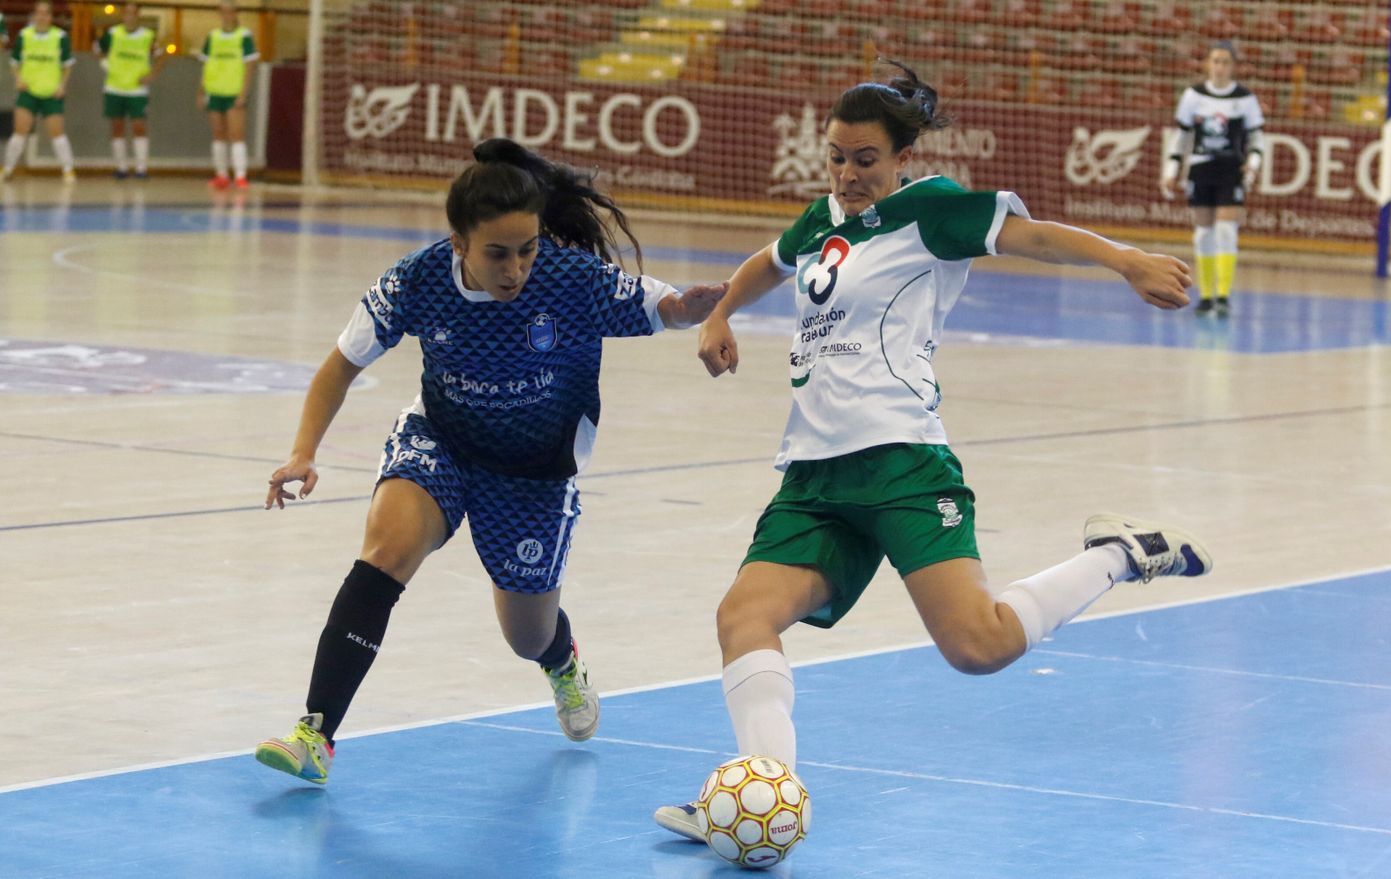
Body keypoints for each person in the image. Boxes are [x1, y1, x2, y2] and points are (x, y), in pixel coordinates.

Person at [653, 61, 1212, 843]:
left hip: (902, 461)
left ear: (900, 159)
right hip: (814, 472)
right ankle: (763, 798)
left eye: (865, 161)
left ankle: (1121, 552)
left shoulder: (931, 211)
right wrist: (721, 317)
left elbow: (1038, 237)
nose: (848, 175)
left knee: (977, 646)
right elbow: (766, 262)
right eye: (837, 157)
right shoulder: (822, 219)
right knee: (743, 616)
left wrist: (1126, 260)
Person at [253, 138, 729, 785]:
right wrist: (303, 451)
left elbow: (659, 306)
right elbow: (341, 365)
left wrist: (692, 309)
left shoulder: (568, 279)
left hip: (534, 473)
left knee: (526, 636)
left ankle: (561, 660)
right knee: (386, 551)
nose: (516, 269)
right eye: (497, 254)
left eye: (527, 249)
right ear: (459, 244)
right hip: (441, 441)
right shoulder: (418, 280)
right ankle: (316, 732)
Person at [1160, 40, 1265, 317]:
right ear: (1208, 64)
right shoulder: (1193, 96)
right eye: (1215, 61)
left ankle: (1222, 297)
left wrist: (1253, 164)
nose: (1219, 67)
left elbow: (1256, 138)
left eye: (1225, 62)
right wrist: (1172, 171)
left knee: (1226, 231)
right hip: (1201, 169)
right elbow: (1181, 137)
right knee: (1204, 233)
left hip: (1231, 171)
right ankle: (1205, 296)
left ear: (1233, 66)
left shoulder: (1245, 99)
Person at [2, 2, 75, 183]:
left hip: (51, 91)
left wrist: (62, 85)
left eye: (46, 13)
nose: (42, 17)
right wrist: (18, 78)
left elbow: (67, 65)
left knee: (56, 132)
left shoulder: (60, 37)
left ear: (51, 17)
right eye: (39, 13)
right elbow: (14, 62)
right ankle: (8, 169)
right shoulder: (24, 35)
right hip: (28, 91)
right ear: (34, 16)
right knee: (20, 131)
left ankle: (68, 170)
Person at [196, 0, 256, 189]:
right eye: (223, 11)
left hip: (233, 91)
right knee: (218, 134)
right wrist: (201, 90)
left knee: (236, 134)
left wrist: (243, 93)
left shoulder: (244, 35)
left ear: (236, 13)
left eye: (230, 11)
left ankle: (240, 175)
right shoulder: (212, 36)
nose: (227, 15)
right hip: (214, 90)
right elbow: (206, 65)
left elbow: (250, 65)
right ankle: (221, 174)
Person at [96, 2, 160, 180]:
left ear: (138, 16)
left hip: (137, 89)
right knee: (117, 127)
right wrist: (104, 63)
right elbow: (97, 49)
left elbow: (161, 54)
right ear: (122, 15)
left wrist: (152, 75)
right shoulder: (113, 33)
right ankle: (121, 167)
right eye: (127, 13)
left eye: (134, 13)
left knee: (139, 127)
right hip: (114, 86)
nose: (130, 17)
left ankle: (141, 168)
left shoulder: (147, 36)